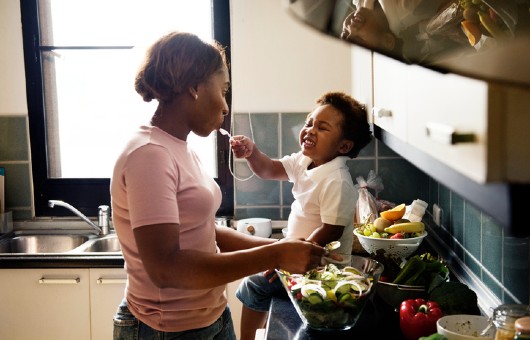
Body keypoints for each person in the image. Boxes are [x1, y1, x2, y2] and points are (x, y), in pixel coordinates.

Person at [110, 31, 324, 340]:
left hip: (210, 317)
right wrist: (276, 256)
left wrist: (282, 251)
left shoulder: (179, 147)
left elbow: (204, 231)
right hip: (166, 330)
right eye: (222, 90)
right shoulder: (149, 154)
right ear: (194, 87)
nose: (225, 107)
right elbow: (166, 268)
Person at [229, 91, 373, 340]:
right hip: (296, 257)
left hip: (320, 269)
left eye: (322, 127)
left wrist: (287, 258)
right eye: (309, 123)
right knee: (257, 279)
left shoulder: (336, 180)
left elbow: (330, 231)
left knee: (254, 284)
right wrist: (252, 153)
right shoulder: (305, 161)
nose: (310, 130)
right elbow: (269, 169)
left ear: (344, 146)